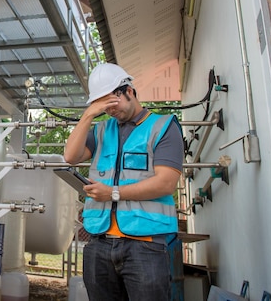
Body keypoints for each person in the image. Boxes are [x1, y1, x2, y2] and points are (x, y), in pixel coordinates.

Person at [64, 63, 183, 301]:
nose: (109, 111)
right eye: (102, 106)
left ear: (128, 91)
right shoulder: (100, 130)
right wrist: (89, 114)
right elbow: (70, 157)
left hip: (145, 246)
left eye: (111, 102)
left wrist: (113, 193)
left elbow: (166, 183)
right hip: (99, 243)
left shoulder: (163, 127)